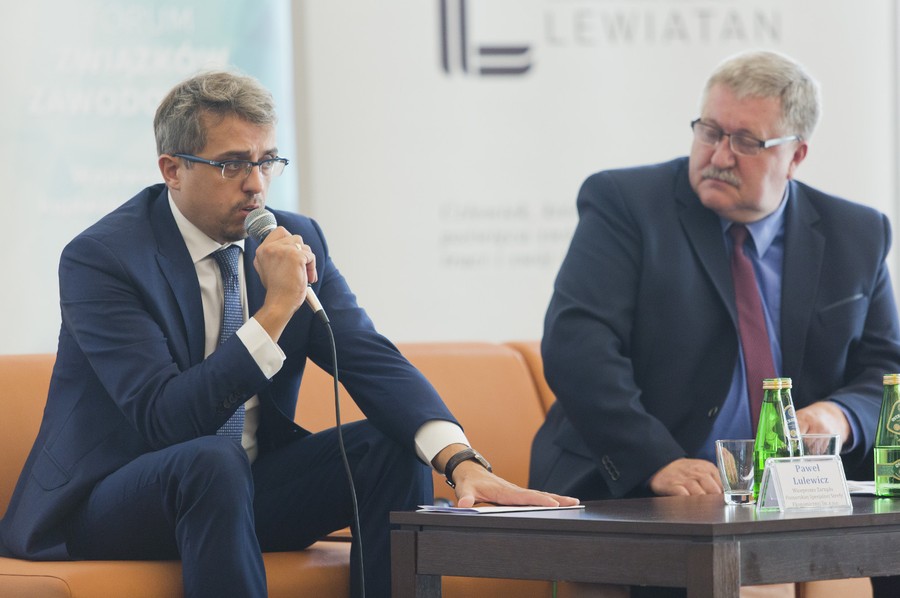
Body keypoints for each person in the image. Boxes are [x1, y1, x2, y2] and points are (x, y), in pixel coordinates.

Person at [0, 70, 576, 598]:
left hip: (241, 490)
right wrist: (275, 311)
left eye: (267, 161)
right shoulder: (104, 258)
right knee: (211, 462)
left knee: (390, 450)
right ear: (172, 170)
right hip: (114, 501)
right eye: (232, 165)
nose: (256, 185)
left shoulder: (295, 238)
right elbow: (165, 420)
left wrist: (460, 461)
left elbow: (367, 356)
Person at [530, 50, 900, 509]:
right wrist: (656, 461)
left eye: (746, 142)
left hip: (801, 495)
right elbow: (577, 347)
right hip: (632, 482)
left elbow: (887, 367)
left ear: (796, 155)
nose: (720, 156)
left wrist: (841, 416)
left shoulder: (856, 233)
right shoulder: (626, 205)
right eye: (709, 131)